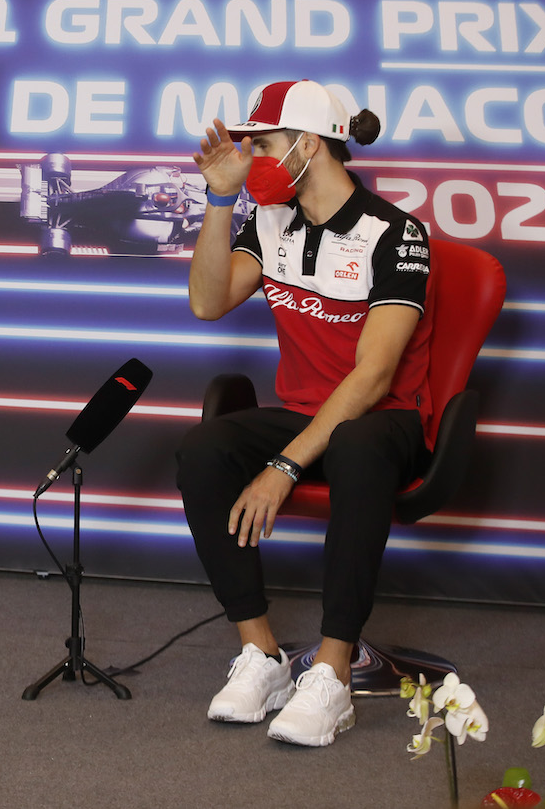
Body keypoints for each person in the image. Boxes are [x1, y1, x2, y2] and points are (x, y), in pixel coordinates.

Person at [176, 80, 432, 746]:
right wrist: (221, 197)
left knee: (356, 446)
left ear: (308, 145)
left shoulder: (396, 234)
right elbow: (207, 302)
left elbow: (373, 378)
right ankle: (261, 654)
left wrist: (285, 466)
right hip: (307, 411)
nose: (252, 153)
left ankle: (332, 672)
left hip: (388, 421)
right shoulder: (269, 220)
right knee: (202, 450)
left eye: (262, 143)